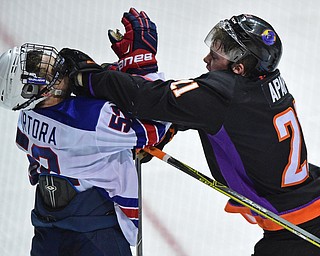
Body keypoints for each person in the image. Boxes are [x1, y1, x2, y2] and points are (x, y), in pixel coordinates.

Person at [60, 11, 320, 256]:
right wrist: (169, 126)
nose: (206, 60)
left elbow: (148, 98)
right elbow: (211, 114)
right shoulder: (263, 83)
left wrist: (90, 77)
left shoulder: (225, 94)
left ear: (239, 68)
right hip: (309, 210)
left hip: (296, 232)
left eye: (215, 56)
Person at [0, 39, 171, 255]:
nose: (54, 64)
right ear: (35, 90)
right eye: (42, 70)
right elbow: (156, 124)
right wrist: (142, 65)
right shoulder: (92, 120)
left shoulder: (26, 115)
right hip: (95, 236)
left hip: (47, 228)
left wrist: (111, 71)